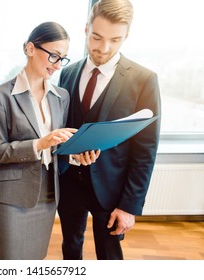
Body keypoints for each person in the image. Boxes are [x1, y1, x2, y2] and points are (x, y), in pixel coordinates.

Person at [0, 22, 100, 260]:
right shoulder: (1, 95)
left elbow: (56, 147)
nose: (58, 65)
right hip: (13, 198)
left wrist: (76, 154)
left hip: (48, 195)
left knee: (36, 261)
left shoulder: (61, 97)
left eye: (63, 58)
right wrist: (39, 143)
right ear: (30, 49)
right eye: (54, 56)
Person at [57, 0, 161, 260]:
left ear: (127, 36)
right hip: (69, 184)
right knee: (70, 249)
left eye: (115, 40)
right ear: (86, 29)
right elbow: (61, 127)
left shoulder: (144, 80)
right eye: (97, 37)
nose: (103, 48)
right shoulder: (67, 73)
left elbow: (146, 150)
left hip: (112, 191)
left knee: (110, 256)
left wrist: (129, 206)